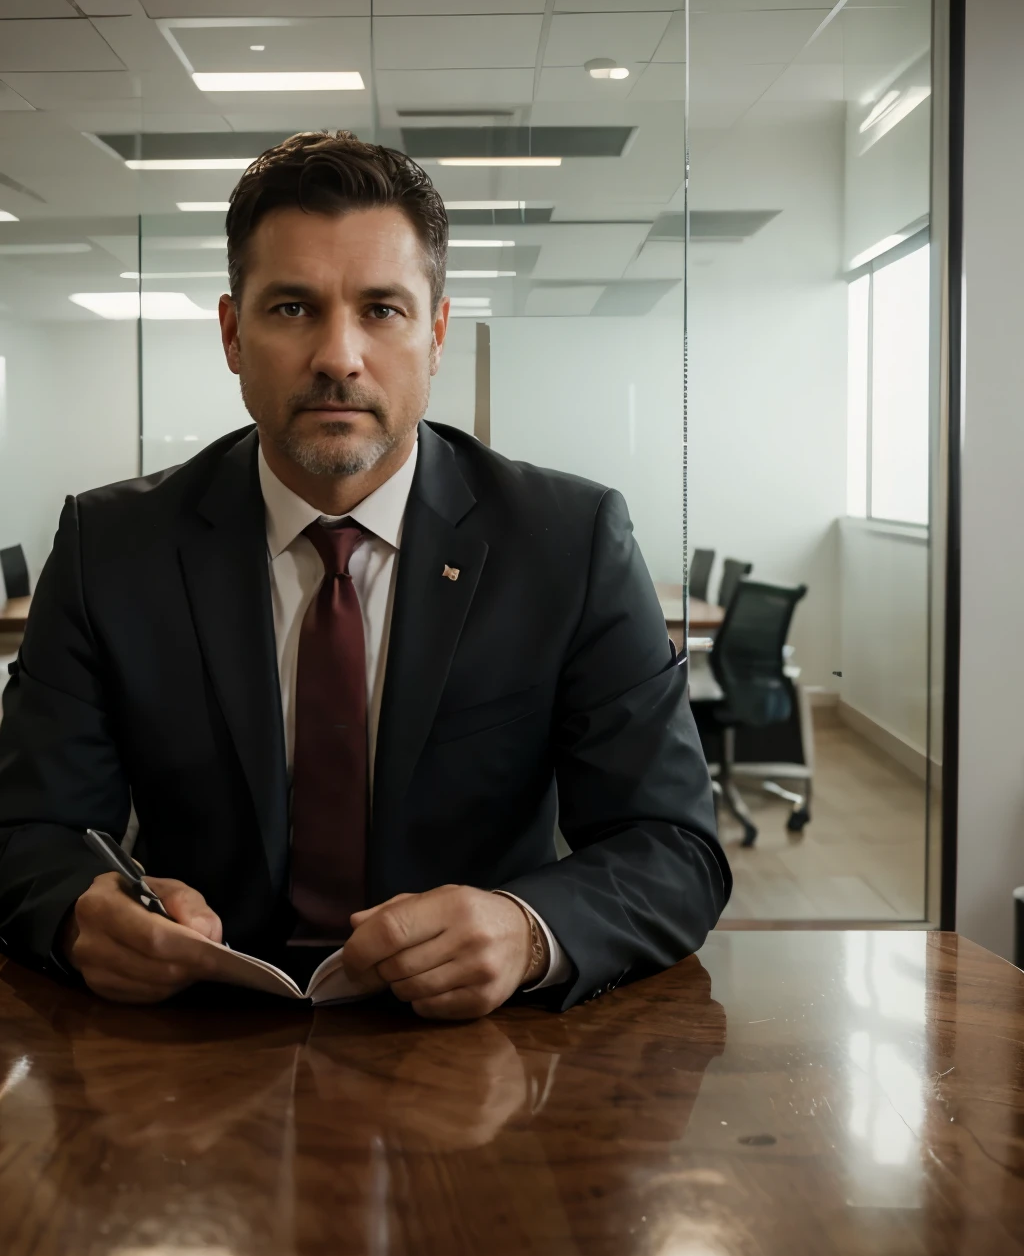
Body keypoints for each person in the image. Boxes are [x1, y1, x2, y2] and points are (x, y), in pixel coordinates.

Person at [0, 130, 730, 1018]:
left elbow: (675, 845)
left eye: (381, 309)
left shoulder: (567, 542)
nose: (338, 356)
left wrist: (527, 928)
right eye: (293, 308)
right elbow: (27, 831)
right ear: (233, 334)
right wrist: (81, 914)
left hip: (477, 1049)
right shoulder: (111, 545)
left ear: (436, 334)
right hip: (193, 1038)